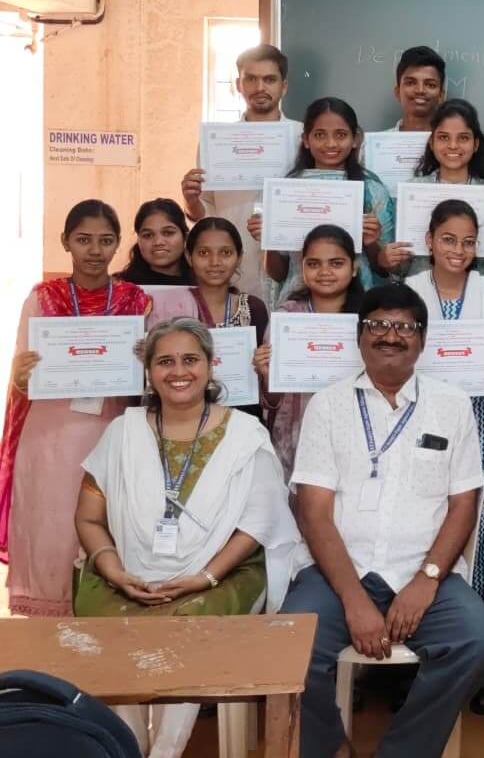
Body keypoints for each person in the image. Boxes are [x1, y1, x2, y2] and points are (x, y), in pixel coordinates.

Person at [280, 282, 484, 758]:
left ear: (422, 339)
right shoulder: (328, 405)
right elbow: (313, 511)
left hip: (422, 570)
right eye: (378, 324)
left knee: (479, 639)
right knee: (290, 644)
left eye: (405, 327)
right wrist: (353, 599)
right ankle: (331, 747)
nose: (391, 335)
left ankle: (403, 751)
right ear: (359, 335)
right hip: (339, 572)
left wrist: (427, 579)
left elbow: (464, 503)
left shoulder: (452, 405)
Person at [73, 318, 298, 758]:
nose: (179, 371)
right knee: (110, 627)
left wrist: (205, 578)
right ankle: (129, 745)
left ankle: (165, 752)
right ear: (149, 370)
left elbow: (257, 526)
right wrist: (115, 572)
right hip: (126, 573)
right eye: (165, 361)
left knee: (191, 624)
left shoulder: (245, 435)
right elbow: (89, 520)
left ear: (211, 366)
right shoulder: (122, 432)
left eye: (191, 359)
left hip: (220, 575)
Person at [1, 200, 152, 615]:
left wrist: (144, 360)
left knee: (105, 520)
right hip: (50, 435)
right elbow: (22, 378)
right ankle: (49, 624)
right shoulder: (42, 298)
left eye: (106, 241)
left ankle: (100, 614)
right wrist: (20, 376)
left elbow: (150, 379)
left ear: (118, 244)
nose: (95, 251)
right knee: (51, 522)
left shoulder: (135, 301)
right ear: (65, 241)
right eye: (84, 240)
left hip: (111, 430)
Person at [404, 200, 484, 605]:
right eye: (448, 239)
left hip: (478, 417)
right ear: (429, 240)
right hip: (420, 416)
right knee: (426, 499)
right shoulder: (408, 292)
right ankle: (419, 594)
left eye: (467, 242)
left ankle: (476, 603)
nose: (458, 250)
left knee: (481, 503)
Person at [180, 44, 300, 300]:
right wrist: (191, 201)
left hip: (294, 275)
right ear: (239, 84)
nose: (260, 87)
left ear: (284, 86)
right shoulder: (216, 142)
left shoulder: (305, 138)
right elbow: (206, 212)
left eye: (269, 79)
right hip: (233, 273)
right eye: (251, 79)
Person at [250, 96, 395, 306]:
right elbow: (278, 274)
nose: (330, 143)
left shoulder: (372, 191)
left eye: (341, 135)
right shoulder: (285, 191)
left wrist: (371, 243)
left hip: (356, 304)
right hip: (298, 306)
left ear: (355, 139)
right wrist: (269, 240)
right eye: (319, 135)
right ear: (306, 140)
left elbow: (385, 270)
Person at [253, 225, 365, 478]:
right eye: (314, 264)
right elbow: (272, 400)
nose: (325, 272)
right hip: (297, 434)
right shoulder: (287, 317)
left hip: (355, 431)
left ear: (354, 268)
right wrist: (267, 375)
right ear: (302, 268)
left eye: (336, 263)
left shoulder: (368, 318)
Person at [383, 98, 484, 283]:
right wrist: (390, 260)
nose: (453, 145)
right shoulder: (412, 190)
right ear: (431, 143)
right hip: (419, 293)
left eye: (463, 138)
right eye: (443, 137)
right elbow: (401, 269)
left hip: (475, 294)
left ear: (476, 144)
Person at [148, 217, 269, 418]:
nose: (215, 262)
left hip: (241, 418)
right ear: (189, 257)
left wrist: (264, 367)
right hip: (180, 417)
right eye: (204, 253)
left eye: (226, 253)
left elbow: (265, 384)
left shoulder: (253, 308)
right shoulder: (168, 306)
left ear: (239, 257)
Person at [116, 198, 194, 287]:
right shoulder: (119, 287)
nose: (158, 242)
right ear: (138, 240)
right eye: (148, 235)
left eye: (168, 233)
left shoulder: (202, 283)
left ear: (185, 237)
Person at [393, 45, 447, 132]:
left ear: (441, 95)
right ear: (398, 92)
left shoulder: (454, 141)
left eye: (430, 85)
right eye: (410, 83)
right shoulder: (377, 140)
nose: (420, 90)